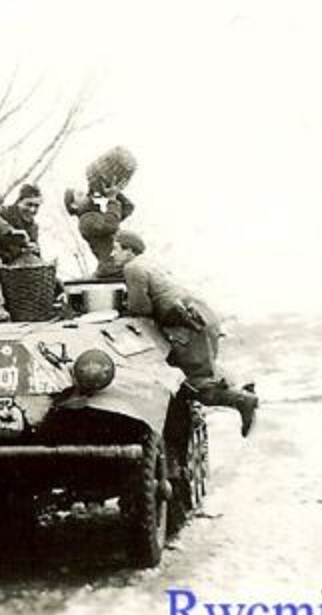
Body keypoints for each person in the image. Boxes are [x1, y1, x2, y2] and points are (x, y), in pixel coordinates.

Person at [110, 230, 260, 436]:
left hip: (188, 323)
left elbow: (140, 308)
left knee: (194, 384)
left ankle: (242, 400)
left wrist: (120, 311)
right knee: (206, 369)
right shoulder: (149, 263)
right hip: (200, 314)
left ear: (129, 250)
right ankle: (240, 386)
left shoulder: (133, 267)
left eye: (116, 248)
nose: (112, 254)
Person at [63, 146, 137, 276]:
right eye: (80, 195)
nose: (86, 194)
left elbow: (128, 208)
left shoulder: (95, 215)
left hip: (116, 266)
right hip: (111, 268)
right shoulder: (86, 221)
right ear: (74, 206)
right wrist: (112, 198)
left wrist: (115, 192)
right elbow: (112, 225)